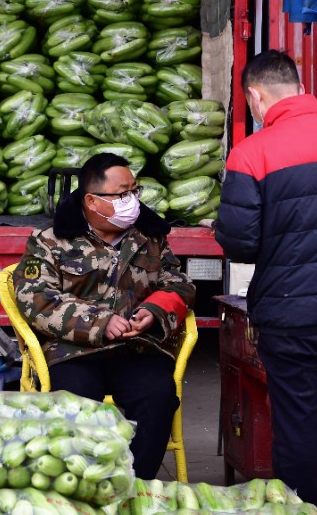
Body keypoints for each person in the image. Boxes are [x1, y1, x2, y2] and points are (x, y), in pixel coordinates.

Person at [13, 152, 196, 479]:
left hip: (136, 348)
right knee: (74, 401)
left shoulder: (149, 237)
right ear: (92, 201)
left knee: (160, 396)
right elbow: (35, 300)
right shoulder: (51, 241)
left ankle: (135, 486)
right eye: (122, 194)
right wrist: (98, 322)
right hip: (73, 352)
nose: (132, 201)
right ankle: (82, 484)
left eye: (134, 192)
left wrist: (153, 312)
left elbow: (177, 282)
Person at [215, 49, 317, 515]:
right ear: (300, 87)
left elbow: (240, 244)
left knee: (299, 426)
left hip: (291, 316)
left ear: (255, 96)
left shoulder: (251, 152)